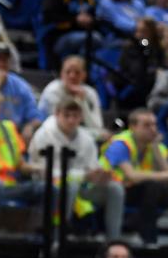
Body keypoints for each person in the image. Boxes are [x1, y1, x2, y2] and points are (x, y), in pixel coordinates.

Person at [98, 108, 168, 247]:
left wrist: (156, 148)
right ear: (133, 127)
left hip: (141, 190)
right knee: (152, 187)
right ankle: (149, 241)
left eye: (154, 125)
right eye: (147, 125)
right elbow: (131, 176)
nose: (153, 129)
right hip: (114, 191)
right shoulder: (120, 144)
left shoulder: (156, 145)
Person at [28, 98, 124, 239]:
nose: (71, 120)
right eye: (67, 116)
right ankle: (56, 239)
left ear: (81, 117)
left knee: (115, 188)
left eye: (75, 116)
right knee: (70, 186)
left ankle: (113, 241)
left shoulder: (86, 138)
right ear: (57, 114)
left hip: (81, 186)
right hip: (49, 186)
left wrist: (99, 176)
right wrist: (82, 176)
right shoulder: (43, 135)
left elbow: (92, 168)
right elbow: (42, 171)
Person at [41, 0, 98, 69]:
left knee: (96, 40)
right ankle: (79, 70)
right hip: (58, 37)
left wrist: (91, 22)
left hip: (84, 35)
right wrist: (75, 20)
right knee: (92, 39)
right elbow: (48, 16)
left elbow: (95, 19)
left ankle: (81, 71)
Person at [38, 55, 105, 140]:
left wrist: (82, 101)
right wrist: (92, 134)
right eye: (68, 72)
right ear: (61, 74)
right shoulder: (52, 91)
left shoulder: (91, 93)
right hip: (49, 135)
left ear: (84, 75)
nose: (72, 76)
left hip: (81, 136)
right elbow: (62, 128)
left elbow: (97, 126)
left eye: (77, 72)